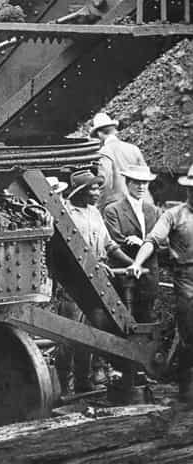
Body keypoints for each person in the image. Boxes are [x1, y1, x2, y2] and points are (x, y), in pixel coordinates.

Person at [54, 169, 133, 393]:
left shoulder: (94, 213)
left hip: (97, 280)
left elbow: (109, 245)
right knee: (68, 332)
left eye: (98, 187)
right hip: (72, 282)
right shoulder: (65, 215)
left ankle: (82, 381)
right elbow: (63, 252)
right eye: (93, 188)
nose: (98, 192)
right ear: (79, 191)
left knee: (91, 331)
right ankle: (62, 385)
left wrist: (131, 263)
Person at [130, 163, 193, 401]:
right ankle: (187, 386)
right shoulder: (173, 215)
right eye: (191, 189)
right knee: (189, 331)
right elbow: (152, 241)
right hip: (186, 279)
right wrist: (137, 262)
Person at [104, 164, 160, 322]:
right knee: (121, 319)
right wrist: (136, 245)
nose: (141, 186)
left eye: (145, 183)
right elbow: (114, 240)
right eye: (136, 182)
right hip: (124, 273)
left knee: (146, 318)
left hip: (148, 274)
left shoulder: (153, 211)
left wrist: (142, 243)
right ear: (127, 183)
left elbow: (163, 243)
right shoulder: (113, 210)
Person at [90, 112, 151, 210]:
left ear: (99, 134)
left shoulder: (104, 152)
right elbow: (145, 175)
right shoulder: (134, 148)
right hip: (141, 202)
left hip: (119, 206)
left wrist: (98, 206)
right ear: (114, 131)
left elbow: (106, 183)